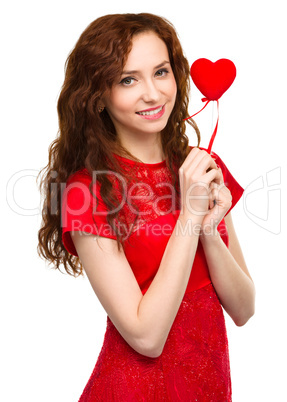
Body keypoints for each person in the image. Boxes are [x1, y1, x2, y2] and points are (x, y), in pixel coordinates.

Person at [37, 13, 255, 401]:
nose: (153, 94)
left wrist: (208, 230)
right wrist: (189, 216)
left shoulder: (199, 167)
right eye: (127, 79)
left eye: (161, 72)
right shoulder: (87, 192)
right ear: (97, 96)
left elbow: (243, 308)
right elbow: (147, 337)